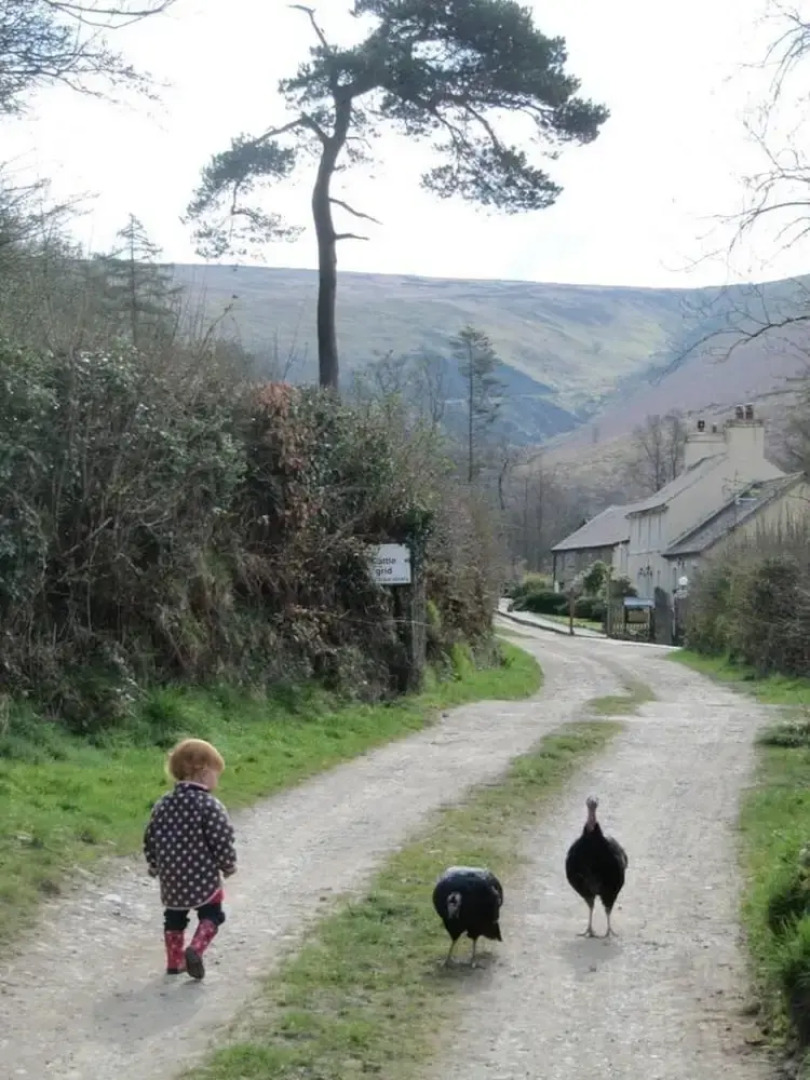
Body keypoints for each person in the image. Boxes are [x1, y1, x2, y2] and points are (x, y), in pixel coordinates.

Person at [143, 737, 237, 980]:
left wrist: (154, 864)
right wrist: (228, 864)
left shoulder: (162, 805)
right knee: (213, 914)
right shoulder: (209, 805)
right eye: (217, 773)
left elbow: (150, 836)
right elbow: (221, 838)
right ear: (203, 772)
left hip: (172, 879)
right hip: (202, 877)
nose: (218, 780)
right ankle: (195, 949)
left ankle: (174, 963)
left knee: (174, 918)